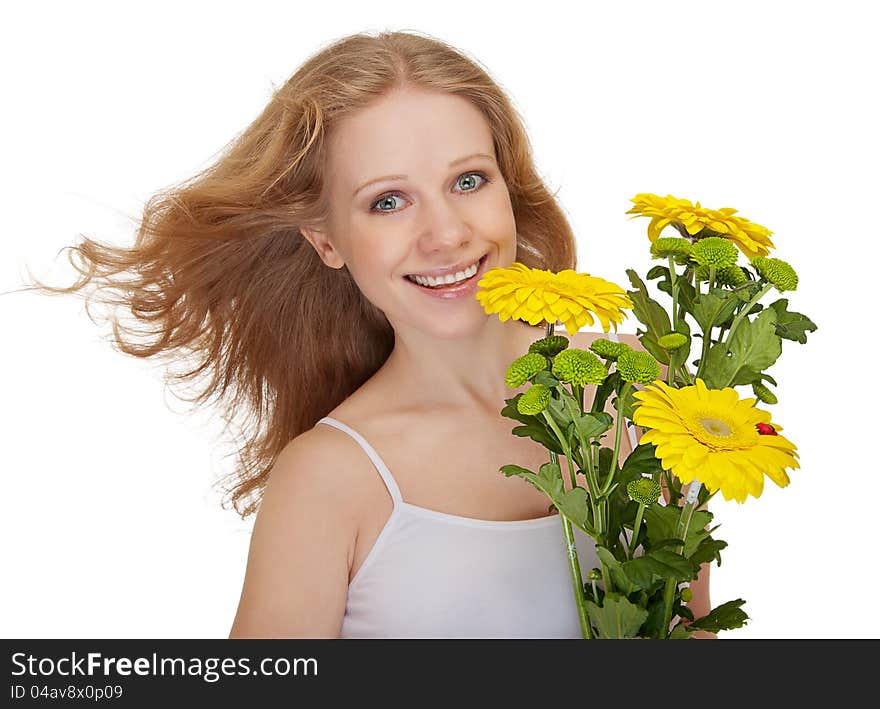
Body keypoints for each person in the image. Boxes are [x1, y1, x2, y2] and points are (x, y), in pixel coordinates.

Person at [29, 29, 711, 638]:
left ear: (509, 189)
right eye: (389, 201)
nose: (447, 233)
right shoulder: (329, 480)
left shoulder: (646, 390)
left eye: (468, 180)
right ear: (326, 240)